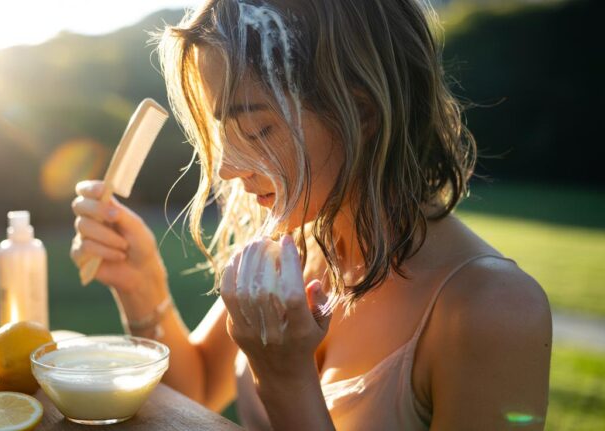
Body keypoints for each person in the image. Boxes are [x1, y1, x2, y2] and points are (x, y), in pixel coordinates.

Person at [70, 0, 552, 429]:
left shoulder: (494, 310)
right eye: (223, 131)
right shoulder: (299, 244)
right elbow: (194, 389)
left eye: (257, 130)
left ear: (362, 113)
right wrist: (142, 284)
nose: (226, 167)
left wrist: (284, 380)